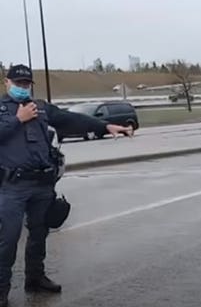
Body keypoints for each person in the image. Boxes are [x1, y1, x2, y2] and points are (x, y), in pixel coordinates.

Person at [0, 65, 133, 307]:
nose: (22, 88)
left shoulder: (39, 107)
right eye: (17, 83)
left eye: (26, 84)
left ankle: (35, 277)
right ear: (6, 83)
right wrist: (18, 120)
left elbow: (71, 119)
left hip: (42, 183)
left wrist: (104, 127)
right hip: (13, 186)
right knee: (8, 239)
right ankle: (1, 289)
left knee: (39, 233)